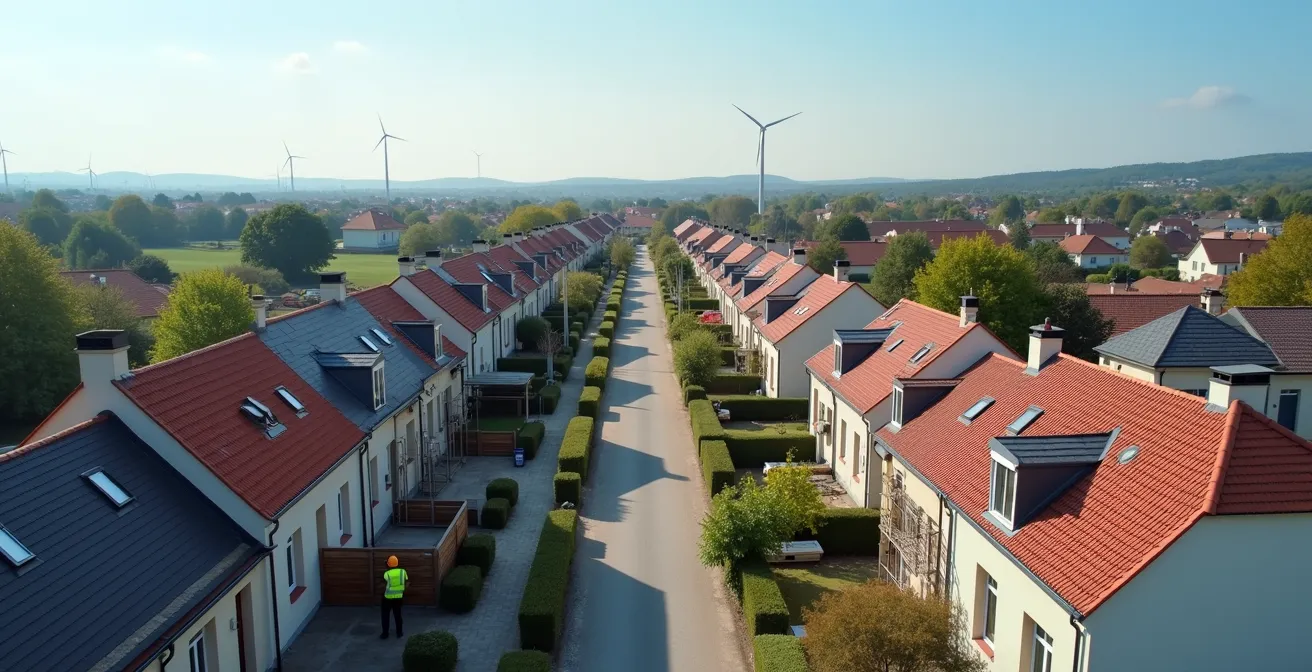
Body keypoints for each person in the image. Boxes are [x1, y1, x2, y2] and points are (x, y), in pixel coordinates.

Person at [380, 555, 408, 639]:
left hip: (387, 598)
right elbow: (406, 582)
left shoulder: (386, 574)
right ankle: (399, 633)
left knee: (385, 616)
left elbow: (383, 584)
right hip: (399, 597)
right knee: (398, 615)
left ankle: (385, 634)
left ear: (388, 564)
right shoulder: (403, 572)